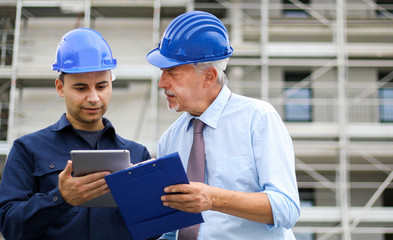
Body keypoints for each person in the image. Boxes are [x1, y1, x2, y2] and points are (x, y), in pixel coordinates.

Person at [146, 11, 300, 239]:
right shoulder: (171, 138)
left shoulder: (258, 119)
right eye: (162, 72)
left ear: (208, 77)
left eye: (172, 72)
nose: (162, 83)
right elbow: (172, 230)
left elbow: (286, 208)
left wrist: (214, 198)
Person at [0, 28, 152, 240]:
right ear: (60, 88)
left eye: (101, 86)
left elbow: (151, 233)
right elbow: (9, 226)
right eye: (81, 88)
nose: (93, 97)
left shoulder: (137, 154)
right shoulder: (28, 149)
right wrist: (60, 198)